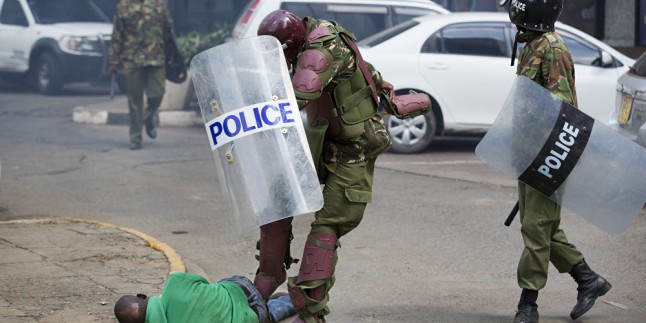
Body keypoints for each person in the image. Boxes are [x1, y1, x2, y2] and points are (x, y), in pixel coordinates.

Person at [253, 9, 397, 323]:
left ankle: (310, 312)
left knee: (327, 226)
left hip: (355, 147)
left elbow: (301, 91)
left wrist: (255, 117)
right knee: (277, 199)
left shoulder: (320, 51)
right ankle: (266, 278)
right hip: (321, 136)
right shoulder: (307, 39)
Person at [503, 0, 612, 322]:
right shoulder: (532, 44)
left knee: (537, 228)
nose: (515, 12)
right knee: (540, 227)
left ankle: (528, 304)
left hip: (547, 155)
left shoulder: (551, 48)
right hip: (529, 154)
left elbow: (560, 110)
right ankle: (589, 279)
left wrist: (547, 161)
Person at [108, 0, 174, 150]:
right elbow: (117, 35)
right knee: (135, 101)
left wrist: (172, 54)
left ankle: (148, 117)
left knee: (157, 94)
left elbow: (168, 31)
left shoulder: (159, 4)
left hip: (156, 57)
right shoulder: (123, 6)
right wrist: (113, 61)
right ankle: (136, 138)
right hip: (132, 59)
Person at [113, 272, 296, 323]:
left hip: (253, 317)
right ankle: (268, 287)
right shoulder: (174, 283)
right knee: (217, 285)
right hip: (244, 290)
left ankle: (293, 303)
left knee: (261, 316)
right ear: (142, 296)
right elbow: (203, 283)